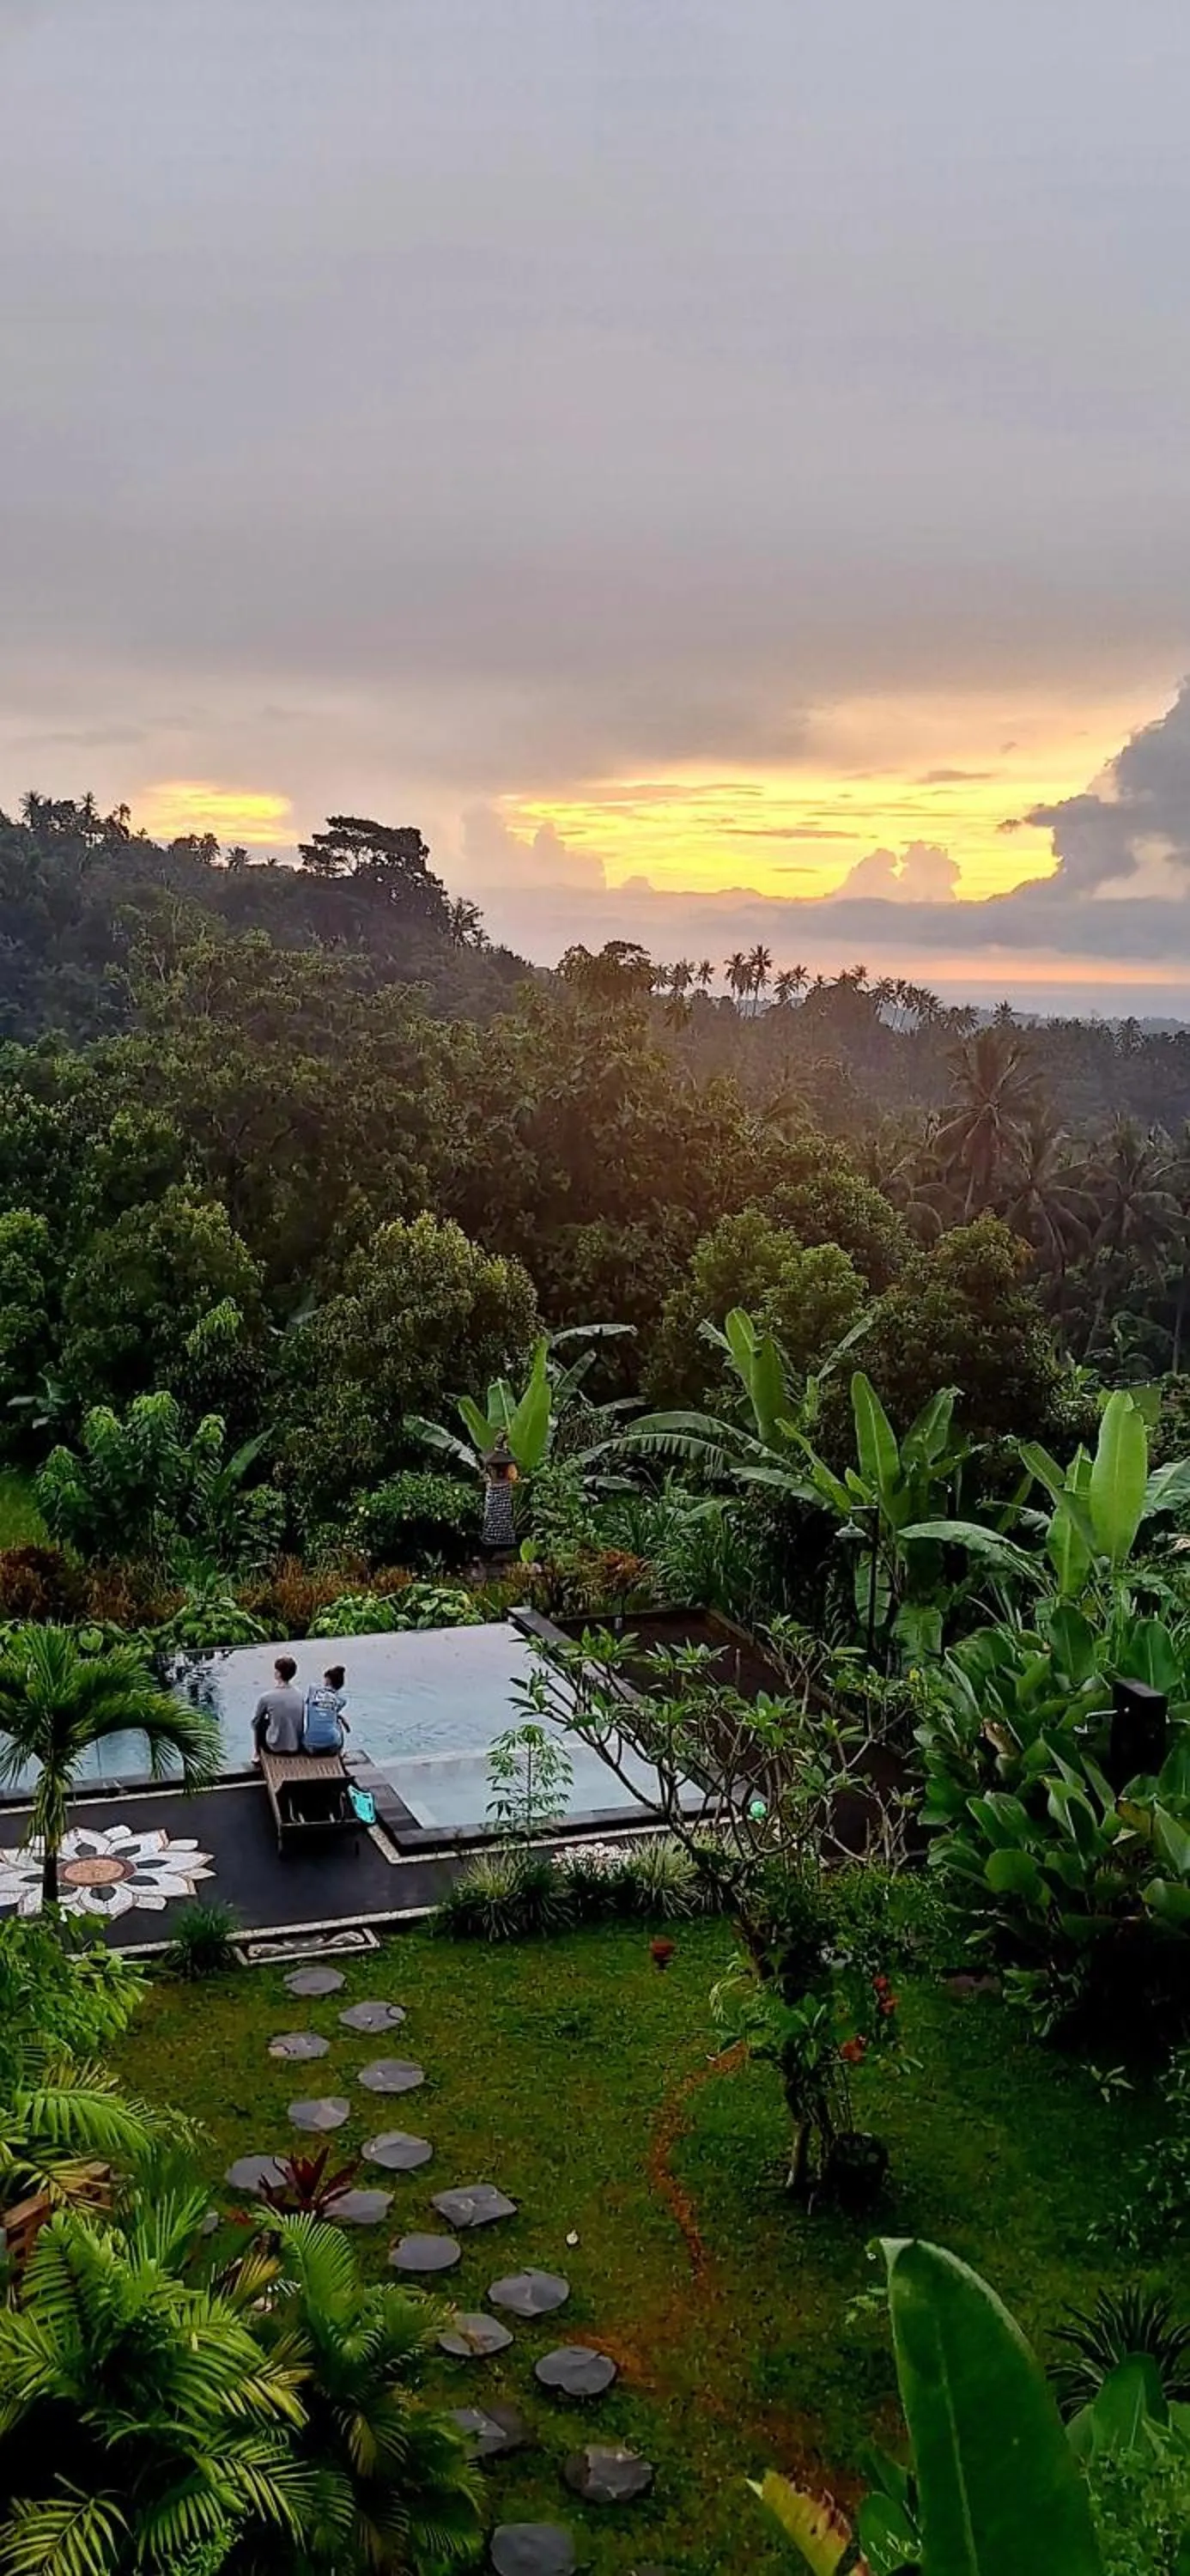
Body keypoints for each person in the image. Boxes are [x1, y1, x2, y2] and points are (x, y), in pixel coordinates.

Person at [252, 1656, 305, 1762]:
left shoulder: (266, 1697)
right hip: (297, 1746)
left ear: (278, 1674)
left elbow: (255, 1723)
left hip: (275, 1747)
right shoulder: (300, 1695)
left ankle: (257, 1754)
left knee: (259, 1722)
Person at [303, 1664, 349, 1754]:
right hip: (331, 1745)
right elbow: (331, 1712)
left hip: (309, 1746)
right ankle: (339, 1754)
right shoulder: (342, 1699)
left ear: (327, 1679)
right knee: (337, 1724)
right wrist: (342, 1719)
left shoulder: (313, 1689)